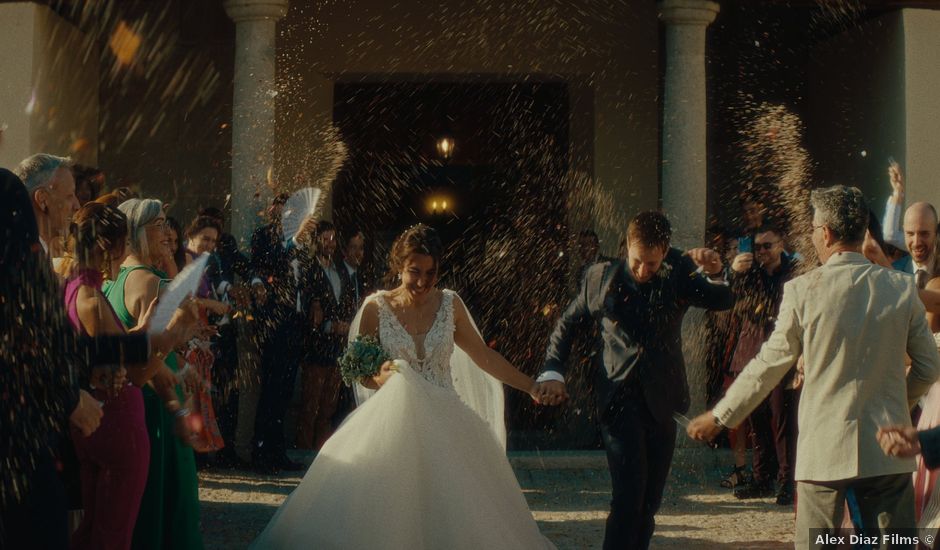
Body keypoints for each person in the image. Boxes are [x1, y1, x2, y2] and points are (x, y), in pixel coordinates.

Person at [251, 224, 554, 549]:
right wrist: (382, 375)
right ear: (398, 266)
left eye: (430, 272)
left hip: (448, 426)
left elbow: (484, 357)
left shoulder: (450, 305)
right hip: (395, 427)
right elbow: (360, 370)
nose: (423, 282)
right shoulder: (375, 308)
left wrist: (531, 386)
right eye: (414, 272)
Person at [688, 185, 940, 548]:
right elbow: (928, 367)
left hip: (823, 454)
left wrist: (721, 416)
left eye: (813, 228)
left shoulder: (802, 290)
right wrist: (894, 404)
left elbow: (768, 365)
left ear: (826, 233)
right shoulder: (901, 289)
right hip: (887, 456)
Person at [0, 168, 191, 549]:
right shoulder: (70, 283)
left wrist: (139, 346)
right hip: (42, 439)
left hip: (57, 432)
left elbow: (65, 349)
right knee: (106, 532)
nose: (75, 205)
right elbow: (22, 349)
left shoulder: (68, 280)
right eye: (71, 195)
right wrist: (162, 338)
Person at [538, 210, 734, 550]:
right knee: (628, 498)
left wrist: (718, 272)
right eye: (637, 261)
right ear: (627, 247)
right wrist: (553, 369)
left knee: (649, 502)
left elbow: (722, 300)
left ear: (665, 251)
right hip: (618, 400)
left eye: (652, 264)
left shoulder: (681, 273)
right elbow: (566, 325)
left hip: (663, 400)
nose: (644, 271)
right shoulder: (600, 277)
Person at [58, 202, 195, 550]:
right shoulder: (90, 297)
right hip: (118, 427)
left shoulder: (76, 289)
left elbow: (105, 349)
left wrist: (140, 330)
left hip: (98, 426)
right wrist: (172, 332)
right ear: (111, 247)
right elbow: (126, 368)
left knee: (93, 527)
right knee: (114, 533)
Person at [105, 198, 204, 550]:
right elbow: (183, 319)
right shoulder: (154, 283)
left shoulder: (114, 280)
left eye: (167, 224)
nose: (168, 232)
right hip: (159, 407)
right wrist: (178, 408)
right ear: (135, 230)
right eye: (158, 225)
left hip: (132, 403)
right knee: (171, 506)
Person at [725, 223, 799, 504]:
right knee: (757, 418)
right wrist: (733, 271)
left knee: (782, 419)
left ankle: (785, 481)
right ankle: (761, 478)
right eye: (758, 247)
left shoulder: (793, 272)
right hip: (754, 352)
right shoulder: (749, 273)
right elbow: (727, 298)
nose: (763, 252)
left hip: (783, 353)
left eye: (768, 246)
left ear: (781, 244)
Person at [248, 194, 311, 473]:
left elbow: (303, 278)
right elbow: (263, 264)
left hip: (295, 322)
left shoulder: (300, 241)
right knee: (271, 389)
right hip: (274, 322)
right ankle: (261, 452)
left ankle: (278, 451)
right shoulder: (264, 236)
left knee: (285, 391)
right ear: (276, 211)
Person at [297, 220, 347, 450]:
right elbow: (307, 308)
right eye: (325, 239)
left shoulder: (339, 270)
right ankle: (305, 451)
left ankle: (322, 453)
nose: (330, 244)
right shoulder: (309, 268)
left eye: (333, 239)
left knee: (329, 406)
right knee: (311, 405)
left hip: (337, 348)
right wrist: (328, 326)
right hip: (316, 347)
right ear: (316, 241)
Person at [14, 153, 81, 264]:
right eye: (69, 196)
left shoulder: (24, 250)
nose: (77, 206)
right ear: (43, 199)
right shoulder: (23, 259)